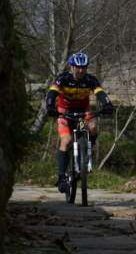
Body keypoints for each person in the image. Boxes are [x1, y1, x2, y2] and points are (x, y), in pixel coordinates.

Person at [46, 52, 114, 193]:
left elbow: (101, 94)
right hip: (64, 111)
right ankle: (61, 177)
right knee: (66, 140)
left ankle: (87, 150)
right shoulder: (63, 78)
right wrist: (50, 107)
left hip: (83, 111)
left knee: (93, 127)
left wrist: (107, 105)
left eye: (84, 67)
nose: (81, 70)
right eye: (78, 67)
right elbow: (52, 93)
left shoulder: (90, 80)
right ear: (71, 66)